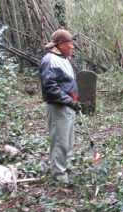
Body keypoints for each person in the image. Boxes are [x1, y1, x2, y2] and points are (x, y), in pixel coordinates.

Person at [40, 29, 81, 185]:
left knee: (68, 140)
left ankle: (65, 167)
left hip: (67, 106)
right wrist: (68, 100)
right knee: (60, 141)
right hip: (58, 107)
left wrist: (73, 101)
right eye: (70, 43)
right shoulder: (50, 60)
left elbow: (65, 83)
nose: (72, 46)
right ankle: (59, 175)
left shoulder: (62, 58)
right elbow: (50, 88)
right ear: (61, 44)